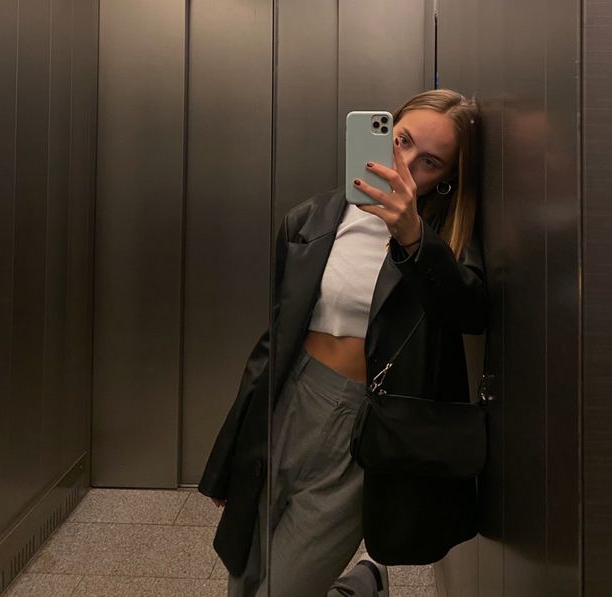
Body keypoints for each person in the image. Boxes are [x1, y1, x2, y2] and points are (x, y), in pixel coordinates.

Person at [198, 89, 487, 597]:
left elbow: (470, 311)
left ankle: (357, 584)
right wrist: (229, 455)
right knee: (245, 574)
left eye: (430, 162)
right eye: (401, 142)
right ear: (383, 132)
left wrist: (414, 237)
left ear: (447, 179)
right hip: (289, 401)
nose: (407, 165)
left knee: (284, 587)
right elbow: (274, 343)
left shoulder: (445, 240)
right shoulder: (309, 220)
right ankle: (363, 585)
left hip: (363, 422)